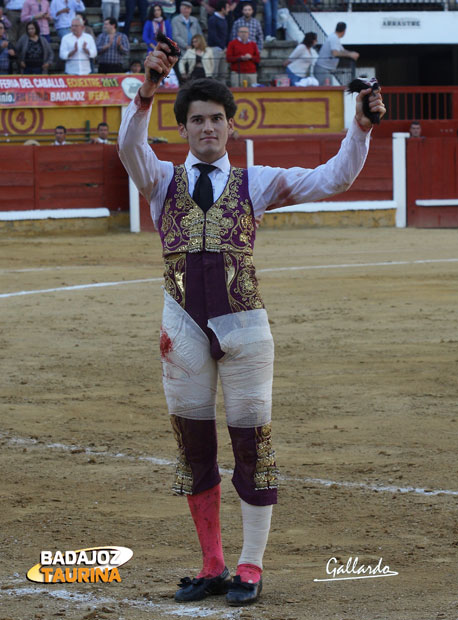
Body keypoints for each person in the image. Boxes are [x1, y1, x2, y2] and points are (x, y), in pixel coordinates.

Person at [118, 44, 386, 608]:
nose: (208, 128)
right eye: (197, 120)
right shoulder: (159, 180)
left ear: (230, 127)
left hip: (245, 331)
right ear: (185, 129)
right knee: (194, 449)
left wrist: (359, 127)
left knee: (252, 446)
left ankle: (250, 565)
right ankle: (212, 563)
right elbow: (128, 145)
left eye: (217, 119)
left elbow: (332, 180)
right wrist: (145, 92)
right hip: (181, 331)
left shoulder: (256, 183)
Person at [314, 22, 359, 86]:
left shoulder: (334, 37)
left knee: (329, 91)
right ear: (344, 31)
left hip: (326, 69)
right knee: (326, 91)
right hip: (323, 69)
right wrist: (350, 54)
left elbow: (342, 50)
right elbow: (335, 53)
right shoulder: (334, 38)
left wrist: (352, 53)